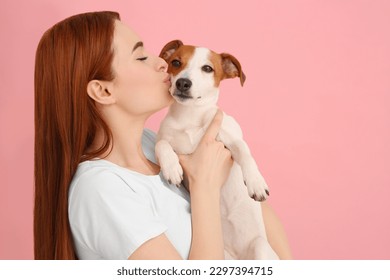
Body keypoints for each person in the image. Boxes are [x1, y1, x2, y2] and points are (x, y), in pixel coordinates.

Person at [34, 11, 292, 260]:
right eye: (140, 57)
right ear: (103, 90)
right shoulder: (102, 192)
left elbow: (254, 204)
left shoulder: (151, 143)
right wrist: (204, 187)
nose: (163, 63)